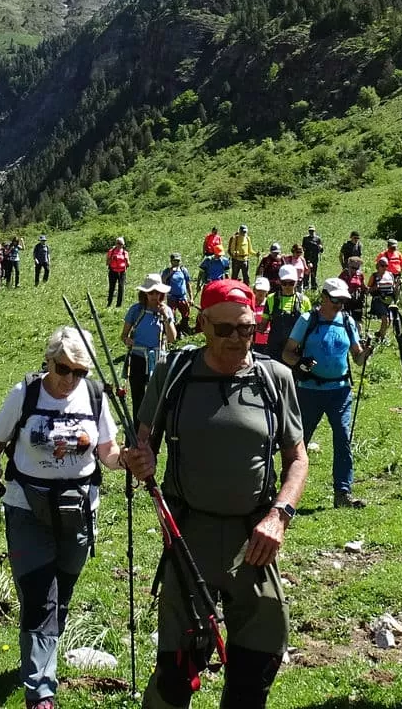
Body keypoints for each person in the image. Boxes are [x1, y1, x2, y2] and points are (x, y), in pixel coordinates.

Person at [122, 278, 307, 709]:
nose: (236, 339)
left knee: (257, 662)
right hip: (188, 535)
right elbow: (143, 438)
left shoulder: (274, 378)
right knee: (177, 670)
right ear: (202, 324)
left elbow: (298, 457)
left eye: (245, 328)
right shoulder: (176, 372)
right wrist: (140, 457)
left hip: (254, 536)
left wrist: (279, 514)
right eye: (224, 330)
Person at [0, 328, 124, 709]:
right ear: (49, 361)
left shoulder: (94, 396)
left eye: (80, 371)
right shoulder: (25, 393)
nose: (70, 379)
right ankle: (41, 692)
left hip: (78, 508)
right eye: (64, 369)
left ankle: (40, 656)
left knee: (62, 592)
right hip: (27, 505)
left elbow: (107, 450)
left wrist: (124, 460)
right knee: (40, 594)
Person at [282, 278, 367, 508]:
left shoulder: (347, 321)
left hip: (340, 391)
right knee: (300, 441)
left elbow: (357, 358)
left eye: (343, 300)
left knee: (342, 438)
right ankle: (285, 493)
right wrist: (300, 362)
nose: (340, 304)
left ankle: (343, 493)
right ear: (324, 297)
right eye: (336, 299)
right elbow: (287, 353)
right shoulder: (307, 320)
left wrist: (367, 350)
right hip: (309, 391)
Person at [122, 273, 177, 422]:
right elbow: (124, 335)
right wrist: (128, 341)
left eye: (157, 292)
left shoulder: (166, 311)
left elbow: (172, 338)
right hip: (138, 358)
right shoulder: (136, 310)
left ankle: (153, 434)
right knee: (138, 398)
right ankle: (135, 435)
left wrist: (166, 318)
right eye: (151, 292)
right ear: (145, 293)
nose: (154, 295)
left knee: (158, 398)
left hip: (159, 359)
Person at [263, 266, 310, 358]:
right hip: (274, 350)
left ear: (296, 282)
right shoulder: (271, 298)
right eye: (284, 283)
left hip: (295, 351)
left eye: (291, 283)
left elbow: (309, 328)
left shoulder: (304, 300)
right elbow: (263, 325)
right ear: (279, 282)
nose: (288, 286)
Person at [164, 253, 193, 328]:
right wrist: (170, 273)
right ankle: (173, 330)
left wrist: (191, 298)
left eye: (178, 261)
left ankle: (183, 328)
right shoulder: (167, 271)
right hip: (171, 297)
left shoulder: (183, 270)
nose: (176, 263)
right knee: (171, 315)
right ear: (171, 261)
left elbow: (188, 284)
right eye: (175, 261)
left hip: (182, 297)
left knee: (186, 313)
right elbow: (162, 281)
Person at [249, 276, 273, 356]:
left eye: (263, 291)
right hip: (250, 340)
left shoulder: (269, 304)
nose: (261, 293)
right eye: (259, 290)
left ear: (267, 292)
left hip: (266, 341)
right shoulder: (249, 304)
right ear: (254, 290)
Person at [106, 236, 131, 306]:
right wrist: (112, 258)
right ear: (116, 244)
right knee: (112, 287)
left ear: (123, 245)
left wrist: (126, 260)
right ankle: (109, 303)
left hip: (122, 272)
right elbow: (107, 263)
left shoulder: (125, 253)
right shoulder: (111, 252)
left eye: (121, 244)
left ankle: (119, 305)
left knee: (121, 287)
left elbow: (128, 264)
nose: (119, 245)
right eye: (118, 243)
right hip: (112, 271)